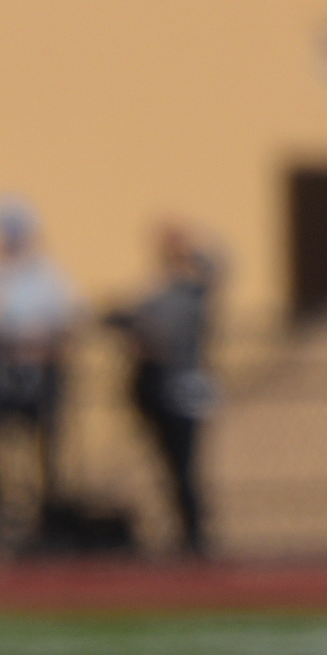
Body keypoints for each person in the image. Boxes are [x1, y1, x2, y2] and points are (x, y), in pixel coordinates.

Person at [0, 196, 79, 552]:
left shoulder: (47, 273)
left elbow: (67, 323)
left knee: (46, 458)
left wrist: (36, 347)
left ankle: (47, 533)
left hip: (41, 373)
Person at [109, 223, 219, 555]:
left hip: (186, 380)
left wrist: (187, 247)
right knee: (165, 463)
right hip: (154, 382)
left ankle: (196, 532)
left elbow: (217, 266)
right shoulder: (156, 293)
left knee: (187, 462)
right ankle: (179, 529)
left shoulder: (195, 291)